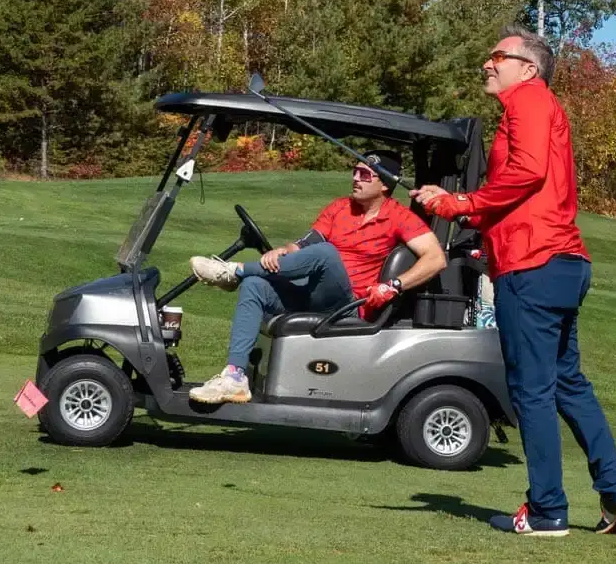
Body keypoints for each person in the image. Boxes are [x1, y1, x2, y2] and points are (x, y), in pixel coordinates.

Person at [412, 26, 616, 538]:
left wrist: (463, 201)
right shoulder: (533, 107)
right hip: (558, 262)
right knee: (567, 382)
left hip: (533, 264)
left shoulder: (529, 99)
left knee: (531, 390)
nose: (487, 64)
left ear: (528, 68)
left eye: (498, 56)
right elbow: (520, 192)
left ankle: (546, 511)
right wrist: (467, 217)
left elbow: (528, 171)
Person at [188, 150, 447, 405]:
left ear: (385, 185)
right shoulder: (339, 207)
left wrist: (394, 286)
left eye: (365, 175)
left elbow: (436, 258)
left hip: (349, 304)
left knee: (325, 253)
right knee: (255, 284)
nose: (355, 178)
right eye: (355, 172)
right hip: (312, 293)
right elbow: (303, 244)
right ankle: (235, 376)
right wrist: (283, 251)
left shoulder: (400, 217)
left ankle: (235, 271)